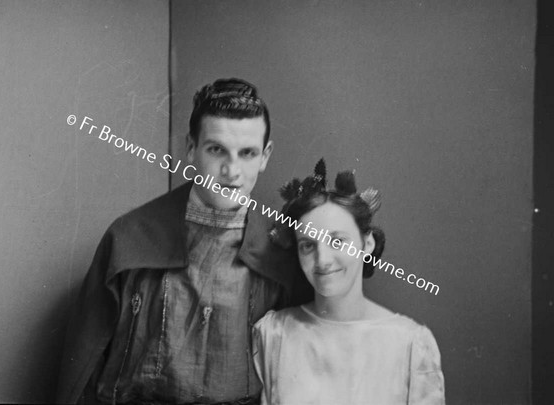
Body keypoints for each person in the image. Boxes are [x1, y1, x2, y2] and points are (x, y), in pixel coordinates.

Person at [57, 78, 309, 404]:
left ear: (265, 156)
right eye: (216, 149)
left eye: (247, 153)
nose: (231, 172)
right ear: (191, 148)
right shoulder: (129, 239)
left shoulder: (282, 250)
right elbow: (83, 369)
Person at [253, 160, 445, 404]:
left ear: (367, 244)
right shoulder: (272, 335)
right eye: (308, 245)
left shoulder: (411, 345)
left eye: (337, 241)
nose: (322, 260)